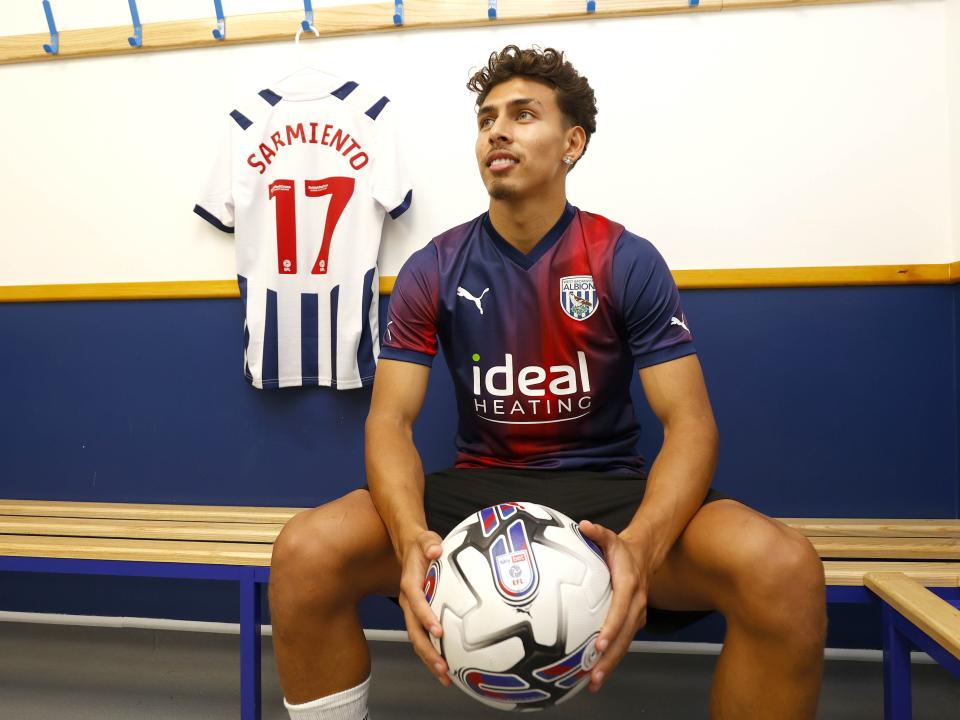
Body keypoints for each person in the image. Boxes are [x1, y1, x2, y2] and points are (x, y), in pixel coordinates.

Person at [269, 45, 826, 720]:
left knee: (784, 567)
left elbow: (691, 423)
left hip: (607, 495)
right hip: (476, 495)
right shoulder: (432, 267)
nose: (497, 131)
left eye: (523, 114)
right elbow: (389, 422)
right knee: (305, 552)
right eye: (487, 119)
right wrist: (411, 533)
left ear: (572, 143)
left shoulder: (625, 259)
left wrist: (643, 545)